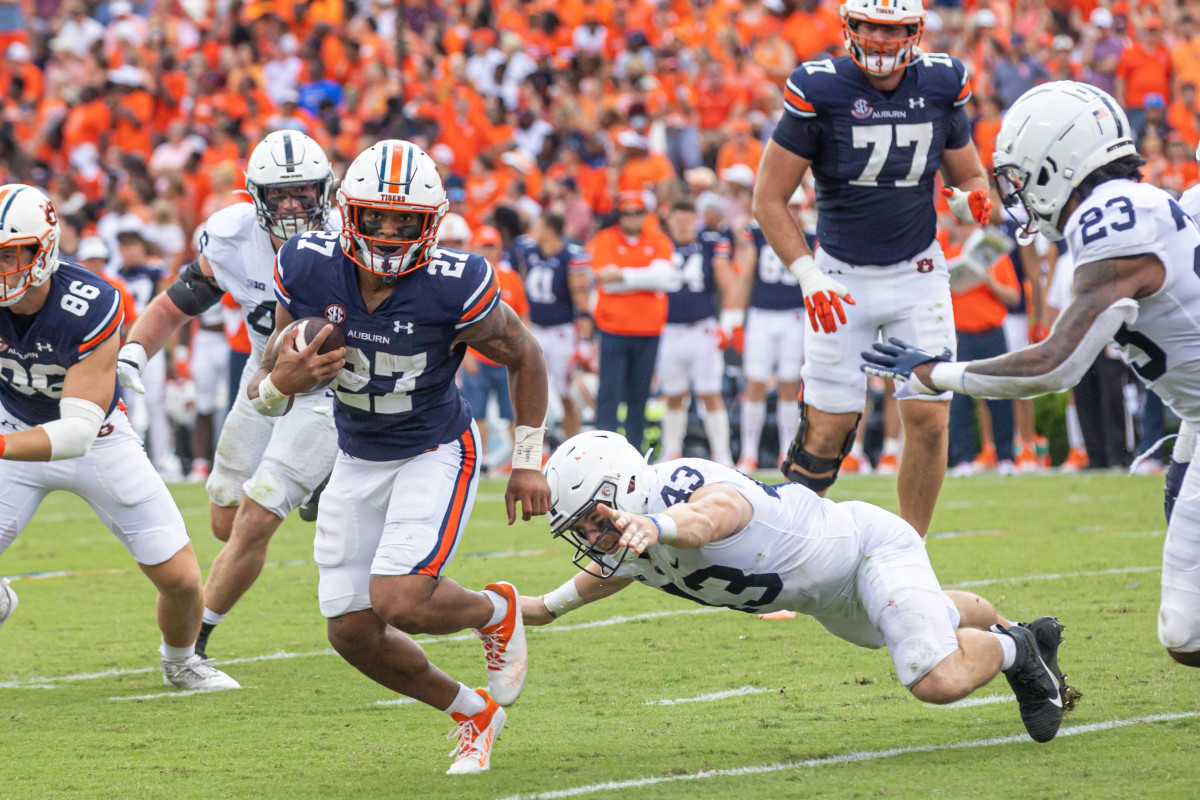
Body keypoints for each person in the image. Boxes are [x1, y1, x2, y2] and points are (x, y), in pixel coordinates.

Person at [863, 81, 1200, 668]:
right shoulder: (1143, 205)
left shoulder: (1110, 218)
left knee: (1185, 629)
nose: (1018, 193)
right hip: (1194, 416)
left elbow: (1056, 364)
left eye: (1021, 176)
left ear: (1059, 161)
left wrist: (938, 373)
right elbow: (977, 260)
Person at [254, 139, 550, 774]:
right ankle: (472, 712)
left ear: (431, 223)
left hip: (433, 447)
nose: (388, 235)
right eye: (376, 219)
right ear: (347, 213)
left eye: (404, 221)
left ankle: (495, 610)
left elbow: (525, 353)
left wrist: (526, 458)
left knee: (400, 602)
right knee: (350, 630)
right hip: (356, 452)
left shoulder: (454, 284)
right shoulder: (306, 266)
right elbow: (265, 376)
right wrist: (283, 383)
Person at [525, 430, 1078, 744]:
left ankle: (1018, 649)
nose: (594, 538)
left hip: (865, 549)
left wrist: (661, 525)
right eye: (581, 531)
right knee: (921, 617)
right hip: (827, 601)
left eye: (594, 521)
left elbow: (716, 516)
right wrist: (549, 607)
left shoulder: (677, 488)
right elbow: (623, 568)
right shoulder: (631, 535)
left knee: (935, 679)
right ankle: (1014, 630)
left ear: (623, 488)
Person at [753, 0, 992, 537]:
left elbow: (972, 176)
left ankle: (908, 556)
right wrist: (809, 275)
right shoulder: (820, 87)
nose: (881, 40)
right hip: (840, 276)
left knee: (930, 419)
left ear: (915, 31)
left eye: (894, 29)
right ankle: (786, 558)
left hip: (918, 272)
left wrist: (967, 201)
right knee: (826, 432)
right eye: (869, 27)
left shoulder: (941, 81)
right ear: (849, 27)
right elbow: (769, 199)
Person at [0, 183, 238, 690]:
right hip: (11, 424)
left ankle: (179, 661)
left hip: (97, 438)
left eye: (11, 255)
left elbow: (77, 432)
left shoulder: (90, 303)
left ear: (44, 250)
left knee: (181, 581)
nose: (2, 270)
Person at [116, 131, 340, 659]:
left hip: (332, 389)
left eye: (301, 192)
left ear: (324, 192)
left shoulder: (350, 238)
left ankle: (194, 643)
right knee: (224, 519)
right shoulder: (231, 237)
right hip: (262, 378)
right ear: (255, 197)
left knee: (258, 514)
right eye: (278, 194)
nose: (289, 205)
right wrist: (133, 352)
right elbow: (174, 305)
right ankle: (318, 485)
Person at [589, 191, 678, 453]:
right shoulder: (605, 239)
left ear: (644, 215)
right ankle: (602, 452)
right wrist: (646, 278)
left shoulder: (658, 240)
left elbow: (665, 278)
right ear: (619, 215)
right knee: (609, 394)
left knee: (639, 397)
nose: (632, 218)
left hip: (648, 330)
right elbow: (606, 278)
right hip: (613, 330)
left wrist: (625, 276)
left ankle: (634, 454)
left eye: (637, 212)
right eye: (627, 213)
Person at [656, 200, 735, 465]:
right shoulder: (660, 244)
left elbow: (727, 281)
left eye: (687, 220)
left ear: (696, 220)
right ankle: (671, 451)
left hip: (703, 327)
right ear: (669, 222)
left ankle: (722, 454)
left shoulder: (710, 242)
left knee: (710, 392)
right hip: (669, 329)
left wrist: (729, 323)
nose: (682, 226)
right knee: (674, 394)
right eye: (677, 221)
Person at [734, 190, 807, 472]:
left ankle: (787, 450)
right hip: (761, 315)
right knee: (755, 382)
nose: (794, 213)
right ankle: (749, 452)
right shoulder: (758, 234)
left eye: (798, 207)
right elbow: (746, 275)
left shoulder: (811, 237)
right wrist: (734, 318)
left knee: (790, 383)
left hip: (794, 316)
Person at [509, 212, 592, 442]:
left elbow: (581, 299)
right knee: (531, 391)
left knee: (566, 394)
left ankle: (571, 443)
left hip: (562, 331)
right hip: (534, 328)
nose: (534, 231)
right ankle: (537, 448)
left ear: (550, 231)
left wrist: (585, 340)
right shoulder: (527, 251)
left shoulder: (570, 256)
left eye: (539, 226)